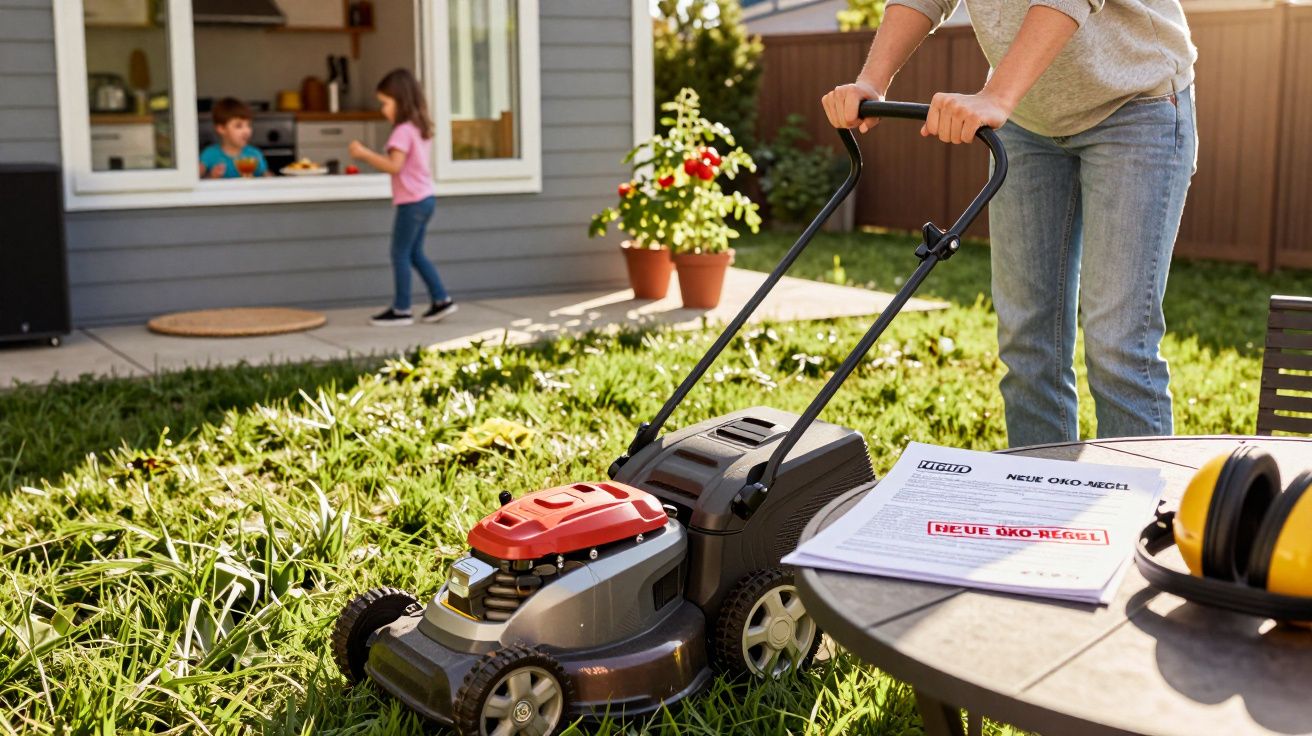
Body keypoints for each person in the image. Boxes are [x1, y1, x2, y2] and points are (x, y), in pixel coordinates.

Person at [822, 0, 1197, 447]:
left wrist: (997, 94)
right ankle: (1039, 500)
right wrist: (871, 80)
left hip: (1135, 101)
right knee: (1026, 342)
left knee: (1118, 346)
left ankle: (1141, 509)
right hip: (1027, 119)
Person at [349, 68, 456, 326]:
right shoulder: (419, 128)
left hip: (411, 202)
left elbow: (394, 166)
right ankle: (441, 300)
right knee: (415, 253)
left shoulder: (401, 132)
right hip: (426, 198)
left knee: (399, 253)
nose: (383, 109)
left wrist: (364, 154)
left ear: (401, 100)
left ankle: (402, 309)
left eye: (385, 103)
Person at [199, 98, 269, 179]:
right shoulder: (209, 154)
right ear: (221, 129)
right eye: (239, 126)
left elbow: (269, 180)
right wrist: (212, 177)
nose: (247, 131)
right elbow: (195, 181)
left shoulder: (255, 154)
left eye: (249, 125)